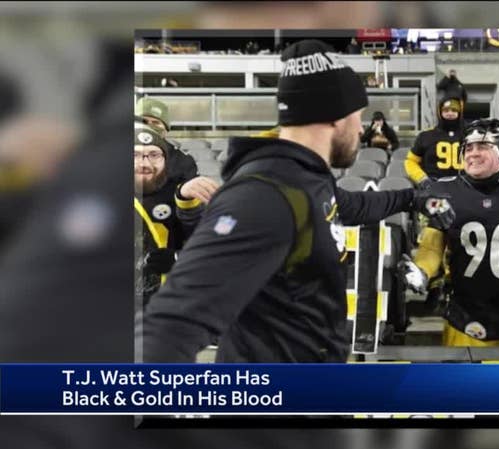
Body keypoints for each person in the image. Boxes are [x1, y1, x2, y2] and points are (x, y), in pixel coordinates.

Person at [136, 40, 455, 363]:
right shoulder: (263, 194)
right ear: (332, 115)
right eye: (356, 116)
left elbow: (354, 206)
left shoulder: (306, 181)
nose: (360, 129)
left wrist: (414, 199)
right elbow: (174, 321)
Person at [400, 119, 499, 347]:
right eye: (468, 147)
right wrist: (423, 271)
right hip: (464, 315)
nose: (473, 153)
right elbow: (431, 245)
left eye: (483, 146)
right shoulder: (444, 191)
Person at [134, 124, 218, 305]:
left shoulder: (181, 195)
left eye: (154, 155)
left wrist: (178, 259)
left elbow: (211, 247)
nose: (145, 163)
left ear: (166, 161)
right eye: (136, 155)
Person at [404, 95, 466, 187]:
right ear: (439, 112)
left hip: (464, 188)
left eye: (454, 110)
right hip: (433, 187)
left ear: (460, 113)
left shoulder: (470, 135)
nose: (450, 113)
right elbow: (410, 161)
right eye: (446, 110)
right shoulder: (425, 136)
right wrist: (422, 178)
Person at [134, 97, 198, 182]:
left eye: (155, 123)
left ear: (165, 129)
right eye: (144, 122)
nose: (150, 127)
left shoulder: (182, 161)